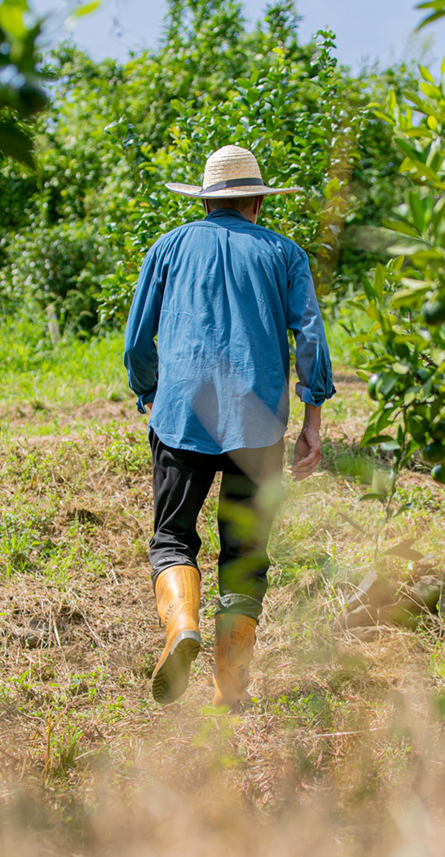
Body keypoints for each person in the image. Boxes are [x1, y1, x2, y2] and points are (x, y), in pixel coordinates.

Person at [123, 145, 335, 711]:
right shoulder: (285, 254)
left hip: (181, 416)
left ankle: (182, 625)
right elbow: (310, 337)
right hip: (258, 426)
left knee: (172, 539)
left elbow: (137, 340)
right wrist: (312, 418)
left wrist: (151, 391)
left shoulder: (168, 247)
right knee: (244, 553)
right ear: (258, 202)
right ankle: (228, 690)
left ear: (209, 199)